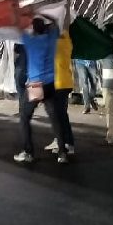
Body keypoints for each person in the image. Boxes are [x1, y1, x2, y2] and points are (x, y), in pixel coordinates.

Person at [15, 17, 69, 164]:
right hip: (50, 84)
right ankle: (62, 153)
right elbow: (56, 24)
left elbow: (18, 25)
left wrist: (17, 10)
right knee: (54, 118)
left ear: (33, 29)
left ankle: (28, 152)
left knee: (25, 117)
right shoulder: (51, 39)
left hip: (35, 85)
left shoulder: (30, 41)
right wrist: (47, 15)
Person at [44, 28, 75, 156]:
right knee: (61, 115)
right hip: (66, 82)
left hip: (58, 84)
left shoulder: (54, 45)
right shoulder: (67, 42)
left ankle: (65, 143)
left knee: (58, 115)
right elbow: (65, 26)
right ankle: (64, 141)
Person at [13, 43, 28, 118]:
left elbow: (16, 52)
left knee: (20, 88)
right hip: (24, 67)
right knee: (22, 89)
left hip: (21, 68)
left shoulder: (21, 42)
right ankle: (24, 110)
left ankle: (23, 111)